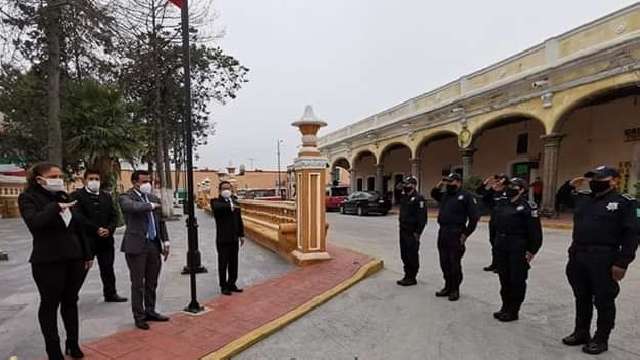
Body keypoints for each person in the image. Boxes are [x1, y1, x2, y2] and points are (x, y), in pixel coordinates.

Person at [557, 166, 639, 355]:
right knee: (581, 296)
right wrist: (569, 184)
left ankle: (601, 338)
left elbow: (632, 234)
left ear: (614, 181)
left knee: (604, 300)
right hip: (578, 255)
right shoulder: (583, 198)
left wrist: (623, 262)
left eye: (599, 178)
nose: (594, 181)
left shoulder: (626, 203)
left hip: (604, 258)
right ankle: (581, 332)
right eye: (592, 177)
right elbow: (561, 198)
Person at [18, 162, 93, 360]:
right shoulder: (28, 198)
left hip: (74, 259)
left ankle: (72, 343)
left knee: (71, 301)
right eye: (53, 176)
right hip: (48, 261)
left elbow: (78, 228)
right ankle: (53, 350)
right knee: (49, 305)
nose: (58, 179)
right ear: (39, 179)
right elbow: (35, 222)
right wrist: (55, 207)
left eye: (59, 175)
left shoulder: (64, 195)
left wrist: (87, 254)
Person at [485, 177, 542, 322]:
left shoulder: (528, 206)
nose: (510, 188)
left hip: (518, 246)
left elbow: (535, 233)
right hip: (502, 246)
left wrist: (531, 251)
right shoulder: (502, 203)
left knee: (517, 279)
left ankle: (513, 310)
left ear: (522, 189)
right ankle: (505, 306)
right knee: (504, 278)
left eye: (514, 186)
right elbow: (494, 225)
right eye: (509, 185)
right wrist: (495, 242)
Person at [119, 170, 170, 330]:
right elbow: (131, 207)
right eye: (144, 181)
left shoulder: (154, 198)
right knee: (138, 283)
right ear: (135, 182)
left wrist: (166, 241)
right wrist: (149, 206)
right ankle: (139, 316)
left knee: (152, 281)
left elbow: (160, 221)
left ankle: (150, 310)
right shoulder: (126, 197)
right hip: (136, 245)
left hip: (153, 244)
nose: (148, 184)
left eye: (149, 181)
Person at [71, 169, 127, 303]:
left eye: (97, 179)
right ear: (84, 180)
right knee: (81, 269)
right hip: (87, 240)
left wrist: (109, 229)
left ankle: (110, 293)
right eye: (91, 178)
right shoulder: (76, 196)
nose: (94, 181)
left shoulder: (106, 196)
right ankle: (71, 294)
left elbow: (114, 216)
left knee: (107, 268)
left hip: (106, 240)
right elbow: (78, 217)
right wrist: (96, 229)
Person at [430, 173, 479, 301]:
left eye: (451, 182)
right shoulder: (446, 195)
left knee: (454, 263)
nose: (448, 184)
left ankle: (455, 289)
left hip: (456, 232)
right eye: (448, 182)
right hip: (443, 231)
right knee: (444, 261)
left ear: (458, 182)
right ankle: (447, 286)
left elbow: (474, 218)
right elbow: (434, 193)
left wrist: (466, 234)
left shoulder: (466, 196)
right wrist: (442, 182)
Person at [211, 181, 246, 296]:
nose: (226, 190)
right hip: (222, 239)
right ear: (220, 190)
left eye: (228, 188)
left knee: (233, 263)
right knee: (223, 264)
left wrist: (241, 235)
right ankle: (223, 285)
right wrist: (230, 205)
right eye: (224, 188)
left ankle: (232, 283)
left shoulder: (235, 202)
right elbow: (217, 208)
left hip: (234, 238)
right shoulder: (216, 202)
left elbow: (239, 219)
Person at [396, 176, 428, 286]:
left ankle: (412, 276)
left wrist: (418, 232)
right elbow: (397, 187)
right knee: (404, 254)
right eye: (405, 184)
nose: (405, 186)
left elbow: (422, 218)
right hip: (403, 230)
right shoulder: (404, 197)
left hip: (412, 232)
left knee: (412, 254)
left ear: (414, 185)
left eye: (408, 184)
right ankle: (407, 275)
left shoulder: (419, 198)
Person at [476, 174, 509, 273]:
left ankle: (502, 265)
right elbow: (481, 194)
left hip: (504, 222)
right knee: (493, 242)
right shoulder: (493, 193)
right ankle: (495, 264)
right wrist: (485, 183)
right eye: (496, 180)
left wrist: (503, 183)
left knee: (501, 245)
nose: (496, 182)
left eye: (499, 180)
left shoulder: (508, 193)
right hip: (494, 220)